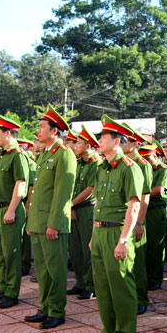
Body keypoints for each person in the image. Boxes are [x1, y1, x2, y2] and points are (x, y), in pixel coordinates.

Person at [83, 117, 144, 333]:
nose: (98, 141)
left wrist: (123, 240)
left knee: (121, 286)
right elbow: (98, 204)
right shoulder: (102, 168)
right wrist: (93, 234)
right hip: (99, 231)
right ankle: (109, 331)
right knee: (103, 286)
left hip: (117, 232)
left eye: (102, 138)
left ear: (116, 141)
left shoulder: (130, 168)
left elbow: (134, 207)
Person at [24, 105, 76, 329]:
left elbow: (62, 193)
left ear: (54, 131)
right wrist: (31, 221)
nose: (38, 130)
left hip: (51, 223)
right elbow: (38, 192)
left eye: (42, 127)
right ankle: (45, 307)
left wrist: (54, 223)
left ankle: (56, 310)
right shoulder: (45, 154)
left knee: (55, 269)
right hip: (38, 222)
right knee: (43, 269)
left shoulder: (64, 155)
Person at [0, 114, 29, 308]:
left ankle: (11, 292)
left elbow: (21, 184)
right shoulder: (1, 156)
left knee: (11, 254)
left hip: (11, 210)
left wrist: (10, 210)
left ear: (8, 133)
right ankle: (1, 287)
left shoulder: (18, 155)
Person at [121, 123, 152, 315]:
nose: (124, 143)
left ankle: (141, 298)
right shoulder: (122, 164)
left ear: (134, 144)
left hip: (136, 220)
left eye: (127, 140)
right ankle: (129, 297)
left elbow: (144, 196)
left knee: (138, 263)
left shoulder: (142, 164)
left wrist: (139, 223)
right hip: (123, 220)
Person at [67, 125, 100, 300]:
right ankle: (80, 283)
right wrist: (71, 206)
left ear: (88, 145)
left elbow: (90, 189)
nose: (75, 145)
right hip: (75, 209)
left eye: (78, 143)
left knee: (88, 251)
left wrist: (72, 203)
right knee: (76, 250)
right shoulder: (79, 162)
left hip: (87, 210)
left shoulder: (95, 163)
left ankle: (90, 285)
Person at [141, 142, 167, 293]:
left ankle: (156, 278)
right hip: (144, 208)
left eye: (147, 157)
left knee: (156, 246)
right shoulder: (143, 168)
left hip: (156, 210)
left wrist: (141, 195)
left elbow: (158, 190)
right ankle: (146, 276)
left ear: (155, 155)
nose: (145, 161)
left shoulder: (164, 170)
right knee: (145, 246)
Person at [18, 138, 36, 276]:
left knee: (25, 237)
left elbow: (31, 186)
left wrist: (28, 205)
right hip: (18, 200)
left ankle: (24, 263)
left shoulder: (31, 164)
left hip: (25, 201)